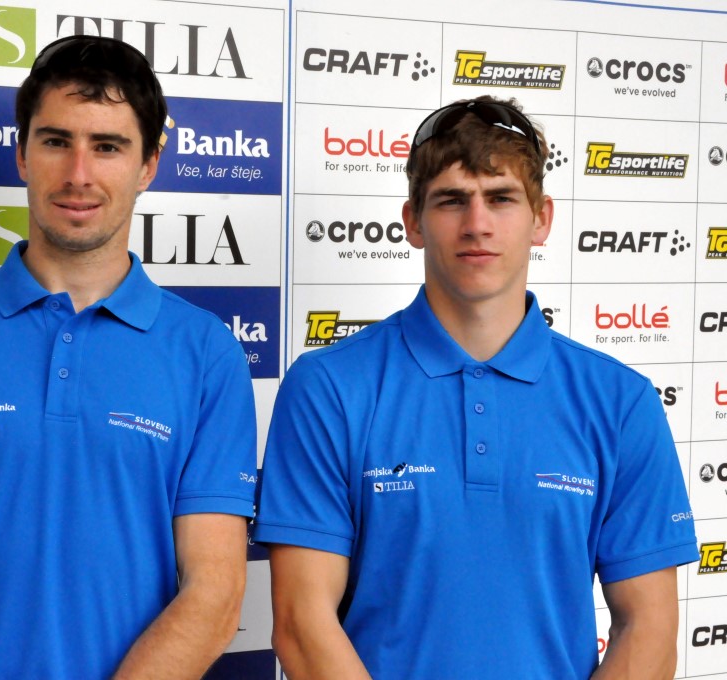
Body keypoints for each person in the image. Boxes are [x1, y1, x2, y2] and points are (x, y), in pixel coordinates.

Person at [0, 35, 257, 679]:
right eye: (56, 140)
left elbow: (215, 594)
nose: (78, 174)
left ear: (149, 165)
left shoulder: (206, 353)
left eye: (108, 146)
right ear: (21, 154)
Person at [253, 96, 698, 679]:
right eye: (451, 200)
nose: (477, 224)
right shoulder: (328, 388)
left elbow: (649, 629)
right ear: (413, 222)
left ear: (542, 219)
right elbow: (301, 621)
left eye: (501, 198)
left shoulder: (621, 402)